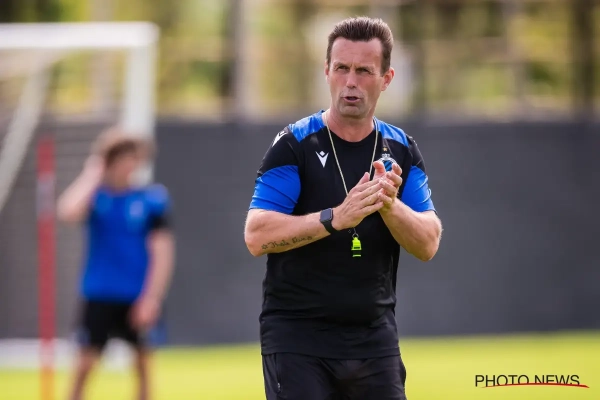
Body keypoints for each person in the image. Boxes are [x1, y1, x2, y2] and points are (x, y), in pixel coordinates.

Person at [244, 16, 442, 400]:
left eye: (364, 71)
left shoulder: (402, 149)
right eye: (341, 68)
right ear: (327, 72)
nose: (351, 81)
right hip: (298, 338)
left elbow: (428, 243)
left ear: (386, 78)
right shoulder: (294, 145)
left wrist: (389, 205)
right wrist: (335, 218)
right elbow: (257, 235)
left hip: (374, 338)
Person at [57, 128, 175, 400]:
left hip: (137, 294)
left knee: (143, 367)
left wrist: (151, 298)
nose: (128, 165)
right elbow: (67, 211)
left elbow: (162, 253)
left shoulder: (152, 199)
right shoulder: (96, 197)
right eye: (121, 158)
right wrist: (92, 174)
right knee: (84, 365)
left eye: (133, 158)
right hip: (99, 292)